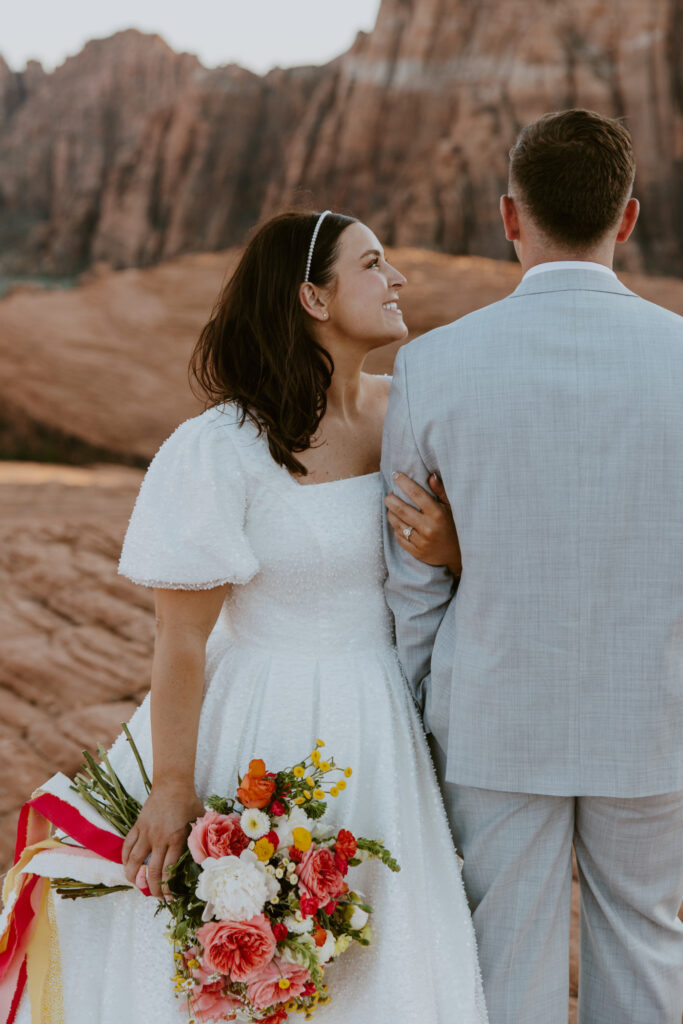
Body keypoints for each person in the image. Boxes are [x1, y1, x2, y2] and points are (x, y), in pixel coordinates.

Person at [14, 211, 487, 1023]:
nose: (397, 280)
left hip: (383, 725)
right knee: (246, 964)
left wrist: (452, 551)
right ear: (312, 296)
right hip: (260, 720)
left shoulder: (411, 411)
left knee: (380, 957)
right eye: (373, 264)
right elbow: (182, 636)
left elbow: (471, 557)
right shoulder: (221, 447)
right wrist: (172, 784)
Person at [381, 108, 683, 1024]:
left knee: (501, 957)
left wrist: (426, 696)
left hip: (494, 712)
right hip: (658, 713)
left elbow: (410, 570)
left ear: (509, 217)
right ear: (626, 219)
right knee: (644, 943)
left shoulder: (430, 365)